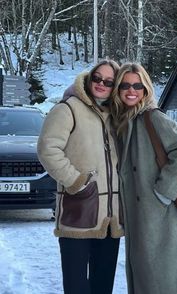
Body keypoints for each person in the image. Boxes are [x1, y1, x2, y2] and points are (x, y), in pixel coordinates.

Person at [110, 62, 177, 294]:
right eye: (125, 85)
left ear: (146, 89)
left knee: (167, 280)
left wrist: (163, 192)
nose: (131, 90)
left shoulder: (153, 117)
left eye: (137, 85)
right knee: (148, 277)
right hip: (142, 217)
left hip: (163, 215)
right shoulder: (125, 120)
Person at [37, 60, 124, 294]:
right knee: (77, 286)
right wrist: (77, 182)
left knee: (103, 285)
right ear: (89, 78)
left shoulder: (117, 115)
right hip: (79, 210)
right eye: (97, 78)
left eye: (109, 81)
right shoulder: (68, 108)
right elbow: (47, 149)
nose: (101, 84)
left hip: (110, 220)